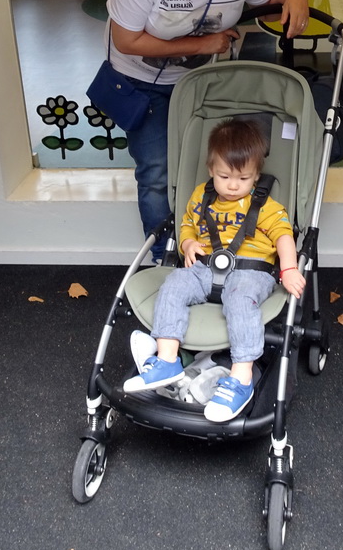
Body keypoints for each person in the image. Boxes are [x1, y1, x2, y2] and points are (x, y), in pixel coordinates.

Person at [103, 0, 309, 259]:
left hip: (201, 82)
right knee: (157, 171)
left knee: (210, 167)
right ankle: (166, 257)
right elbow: (126, 41)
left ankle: (216, 252)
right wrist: (204, 43)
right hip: (140, 80)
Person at [123, 118, 306, 423]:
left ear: (256, 176)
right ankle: (167, 359)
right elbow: (186, 225)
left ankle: (241, 377)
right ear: (211, 170)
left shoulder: (266, 206)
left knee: (240, 302)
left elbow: (284, 236)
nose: (233, 185)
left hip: (251, 273)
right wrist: (189, 243)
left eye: (244, 179)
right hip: (204, 268)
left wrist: (288, 269)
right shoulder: (201, 196)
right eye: (224, 176)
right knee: (174, 285)